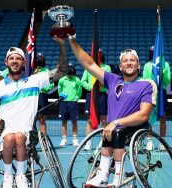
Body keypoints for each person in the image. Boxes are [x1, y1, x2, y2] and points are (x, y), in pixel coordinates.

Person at [65, 35, 157, 187]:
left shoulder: (147, 84)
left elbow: (144, 114)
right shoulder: (113, 80)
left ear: (139, 65)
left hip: (135, 127)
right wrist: (72, 41)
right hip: (113, 128)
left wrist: (116, 122)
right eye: (125, 61)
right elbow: (89, 64)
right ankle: (103, 174)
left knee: (117, 131)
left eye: (132, 60)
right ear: (120, 66)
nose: (129, 63)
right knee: (110, 131)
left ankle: (119, 176)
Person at [0, 38, 68, 188]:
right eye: (11, 58)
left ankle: (20, 176)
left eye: (18, 58)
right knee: (10, 136)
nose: (14, 61)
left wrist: (62, 45)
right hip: (5, 132)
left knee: (18, 136)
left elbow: (62, 71)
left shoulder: (35, 81)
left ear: (24, 63)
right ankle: (7, 176)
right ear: (6, 62)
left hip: (28, 132)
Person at [81, 49, 111, 150]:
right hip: (91, 94)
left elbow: (109, 80)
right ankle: (88, 142)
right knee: (89, 119)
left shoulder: (107, 67)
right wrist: (91, 88)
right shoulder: (88, 67)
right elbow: (83, 81)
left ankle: (104, 141)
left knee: (104, 119)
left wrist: (101, 85)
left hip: (102, 95)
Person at [142, 46, 171, 149]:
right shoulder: (147, 65)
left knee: (163, 118)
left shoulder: (165, 65)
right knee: (149, 118)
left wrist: (163, 73)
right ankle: (149, 141)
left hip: (162, 93)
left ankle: (162, 142)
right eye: (153, 52)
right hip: (150, 92)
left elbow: (167, 81)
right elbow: (145, 80)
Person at [58, 64, 82, 147]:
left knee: (74, 121)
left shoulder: (77, 80)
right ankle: (64, 139)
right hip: (63, 103)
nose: (70, 76)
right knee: (63, 121)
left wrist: (75, 98)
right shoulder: (61, 80)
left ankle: (75, 139)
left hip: (73, 103)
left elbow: (79, 91)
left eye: (71, 75)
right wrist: (62, 97)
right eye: (68, 74)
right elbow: (60, 90)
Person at [33, 53, 55, 134]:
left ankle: (44, 139)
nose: (39, 62)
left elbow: (51, 85)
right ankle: (31, 141)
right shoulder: (33, 71)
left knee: (42, 119)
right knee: (32, 119)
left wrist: (41, 88)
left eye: (41, 60)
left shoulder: (48, 72)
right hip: (33, 96)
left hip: (42, 96)